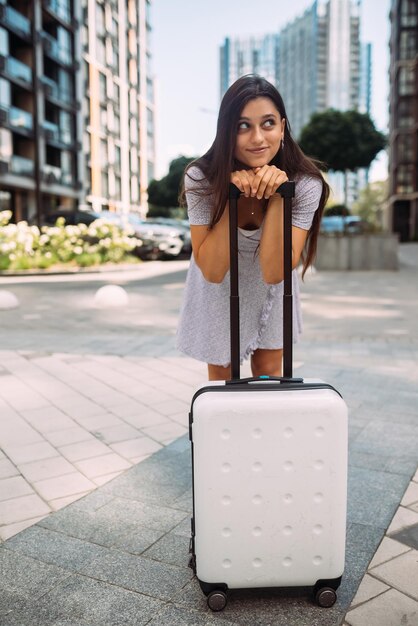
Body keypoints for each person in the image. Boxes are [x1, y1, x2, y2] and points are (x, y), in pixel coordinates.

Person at [176, 75, 329, 381]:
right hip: (219, 286)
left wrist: (277, 197)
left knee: (269, 374)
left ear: (282, 127)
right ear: (226, 133)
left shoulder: (305, 184)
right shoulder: (201, 179)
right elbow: (213, 270)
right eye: (243, 126)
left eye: (268, 123)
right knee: (223, 376)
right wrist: (232, 200)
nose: (258, 138)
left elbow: (275, 272)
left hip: (272, 286)